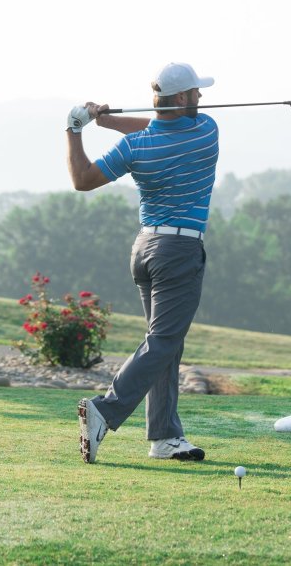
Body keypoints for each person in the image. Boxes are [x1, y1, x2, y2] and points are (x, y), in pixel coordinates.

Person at [65, 62, 218, 464]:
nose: (202, 97)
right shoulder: (206, 131)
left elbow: (82, 179)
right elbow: (159, 126)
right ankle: (106, 409)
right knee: (163, 341)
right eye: (196, 92)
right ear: (183, 98)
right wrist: (110, 121)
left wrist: (77, 129)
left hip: (145, 249)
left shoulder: (137, 148)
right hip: (179, 253)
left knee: (167, 343)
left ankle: (165, 437)